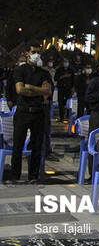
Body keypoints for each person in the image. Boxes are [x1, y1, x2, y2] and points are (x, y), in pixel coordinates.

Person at [10, 41, 52, 183]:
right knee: (18, 145)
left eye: (38, 52)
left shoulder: (44, 73)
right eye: (33, 52)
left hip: (39, 112)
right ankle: (15, 176)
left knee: (37, 145)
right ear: (27, 53)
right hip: (23, 112)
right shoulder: (20, 71)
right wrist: (39, 91)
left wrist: (31, 88)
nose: (36, 55)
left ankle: (33, 176)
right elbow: (20, 90)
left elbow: (48, 91)